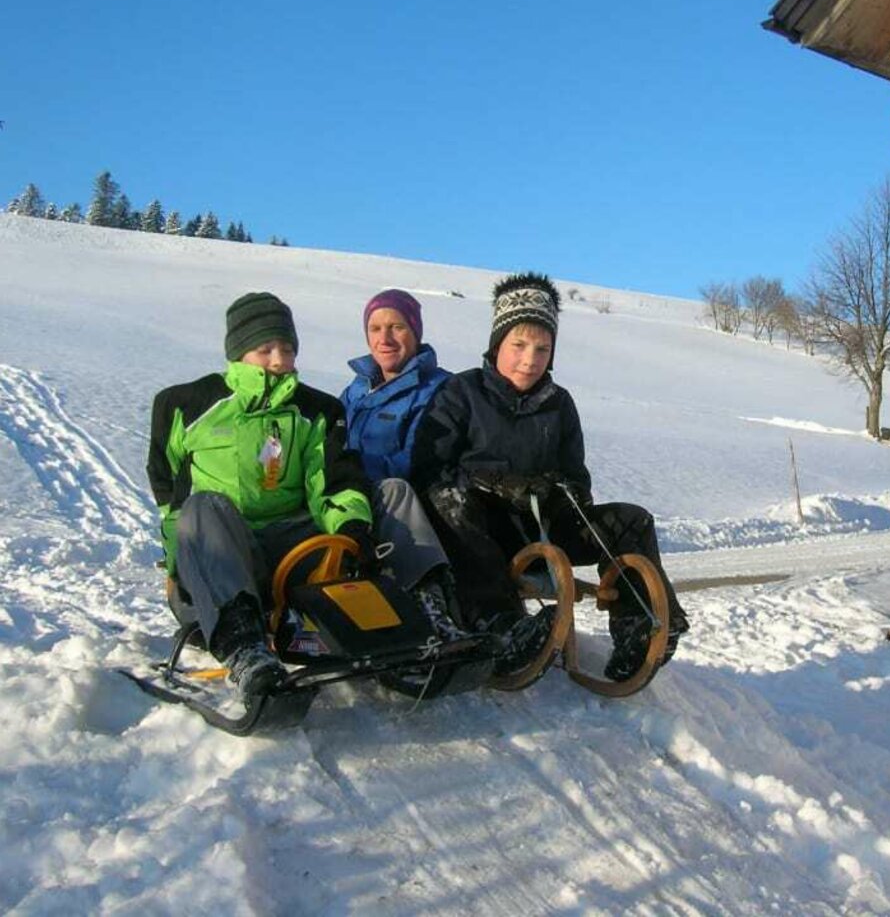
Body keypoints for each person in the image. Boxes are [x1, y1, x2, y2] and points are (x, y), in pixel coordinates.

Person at [411, 272, 690, 680]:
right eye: (519, 345)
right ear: (497, 344)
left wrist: (558, 489)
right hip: (482, 531)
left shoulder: (558, 404)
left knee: (631, 520)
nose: (530, 359)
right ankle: (501, 626)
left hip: (545, 526)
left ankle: (642, 628)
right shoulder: (462, 392)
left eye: (542, 348)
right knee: (450, 499)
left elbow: (578, 478)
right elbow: (430, 469)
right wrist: (492, 483)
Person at [146, 291, 378, 701]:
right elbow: (171, 492)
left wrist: (352, 532)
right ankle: (244, 647)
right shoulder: (186, 405)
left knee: (387, 494)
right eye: (265, 348)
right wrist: (181, 566)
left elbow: (332, 482)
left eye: (286, 349)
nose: (277, 360)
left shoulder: (314, 410)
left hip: (293, 554)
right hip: (226, 556)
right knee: (203, 506)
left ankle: (408, 622)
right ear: (237, 353)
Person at [339, 288, 466, 643]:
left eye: (397, 327)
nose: (385, 338)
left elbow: (419, 458)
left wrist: (355, 478)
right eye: (376, 328)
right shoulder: (357, 389)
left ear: (415, 332)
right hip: (351, 496)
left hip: (404, 500)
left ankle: (431, 603)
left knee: (395, 490)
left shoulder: (440, 389)